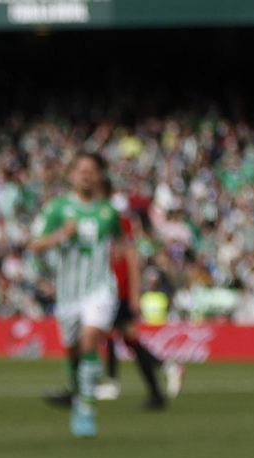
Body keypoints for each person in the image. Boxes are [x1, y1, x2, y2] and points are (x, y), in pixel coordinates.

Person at [44, 186, 183, 411]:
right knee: (127, 339)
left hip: (115, 291)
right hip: (105, 289)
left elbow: (130, 256)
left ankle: (94, 386)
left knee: (103, 335)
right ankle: (159, 380)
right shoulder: (96, 218)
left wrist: (135, 293)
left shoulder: (115, 220)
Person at [27, 153, 124, 439]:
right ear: (71, 175)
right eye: (81, 170)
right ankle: (76, 390)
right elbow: (34, 244)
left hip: (100, 289)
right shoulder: (58, 208)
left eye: (92, 170)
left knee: (89, 340)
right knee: (73, 350)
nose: (87, 175)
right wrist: (60, 236)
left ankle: (86, 409)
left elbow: (121, 243)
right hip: (69, 294)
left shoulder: (108, 212)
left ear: (99, 177)